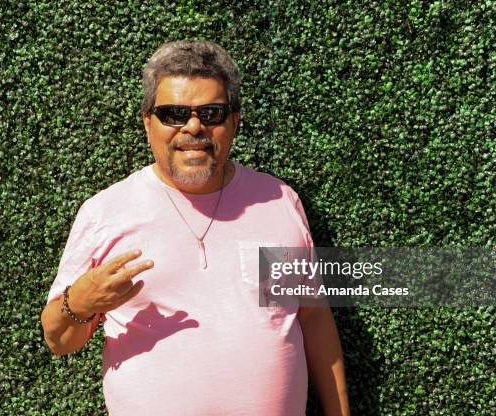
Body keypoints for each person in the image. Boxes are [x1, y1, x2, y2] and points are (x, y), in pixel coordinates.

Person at [41, 40, 350, 415]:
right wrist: (80, 303)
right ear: (147, 121)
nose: (192, 127)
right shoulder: (106, 212)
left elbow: (313, 317)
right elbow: (59, 341)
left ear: (234, 120)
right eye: (173, 113)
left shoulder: (278, 201)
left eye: (211, 113)